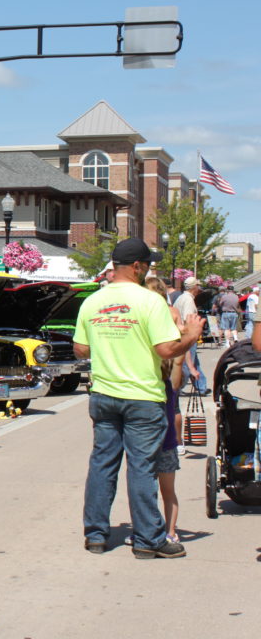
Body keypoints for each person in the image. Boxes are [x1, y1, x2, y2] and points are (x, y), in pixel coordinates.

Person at [74, 238, 203, 559]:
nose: (149, 269)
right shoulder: (149, 302)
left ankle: (96, 534)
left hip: (104, 393)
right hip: (142, 395)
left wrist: (109, 343)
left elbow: (81, 349)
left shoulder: (93, 301)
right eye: (146, 264)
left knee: (102, 463)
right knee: (142, 467)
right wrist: (191, 336)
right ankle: (148, 538)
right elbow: (166, 350)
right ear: (135, 266)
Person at [145, 277, 182, 541]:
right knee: (154, 487)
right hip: (157, 427)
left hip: (157, 428)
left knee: (156, 486)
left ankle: (163, 530)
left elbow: (175, 382)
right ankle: (162, 530)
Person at [174, 277, 207, 396]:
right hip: (187, 334)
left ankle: (201, 386)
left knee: (194, 362)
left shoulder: (182, 298)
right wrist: (192, 333)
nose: (199, 288)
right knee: (188, 362)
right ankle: (178, 387)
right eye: (198, 286)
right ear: (194, 287)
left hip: (183, 333)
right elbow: (188, 318)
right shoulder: (188, 300)